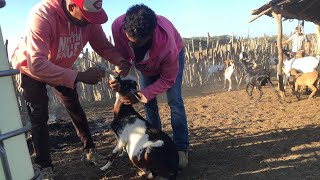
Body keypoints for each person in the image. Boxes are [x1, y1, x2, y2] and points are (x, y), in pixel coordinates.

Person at [11, 0, 130, 179]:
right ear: (72, 6)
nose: (90, 22)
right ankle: (44, 166)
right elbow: (37, 64)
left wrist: (120, 60)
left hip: (61, 66)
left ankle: (90, 151)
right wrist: (79, 76)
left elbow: (103, 46)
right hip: (31, 69)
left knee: (74, 107)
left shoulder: (89, 19)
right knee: (39, 114)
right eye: (87, 17)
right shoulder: (43, 15)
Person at [109, 4, 189, 169]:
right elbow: (123, 56)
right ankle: (154, 141)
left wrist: (139, 95)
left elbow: (168, 80)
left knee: (175, 100)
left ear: (150, 35)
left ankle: (181, 148)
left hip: (168, 60)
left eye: (139, 44)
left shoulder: (168, 46)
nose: (133, 47)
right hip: (146, 65)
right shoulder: (117, 26)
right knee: (149, 103)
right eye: (130, 41)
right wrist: (121, 71)